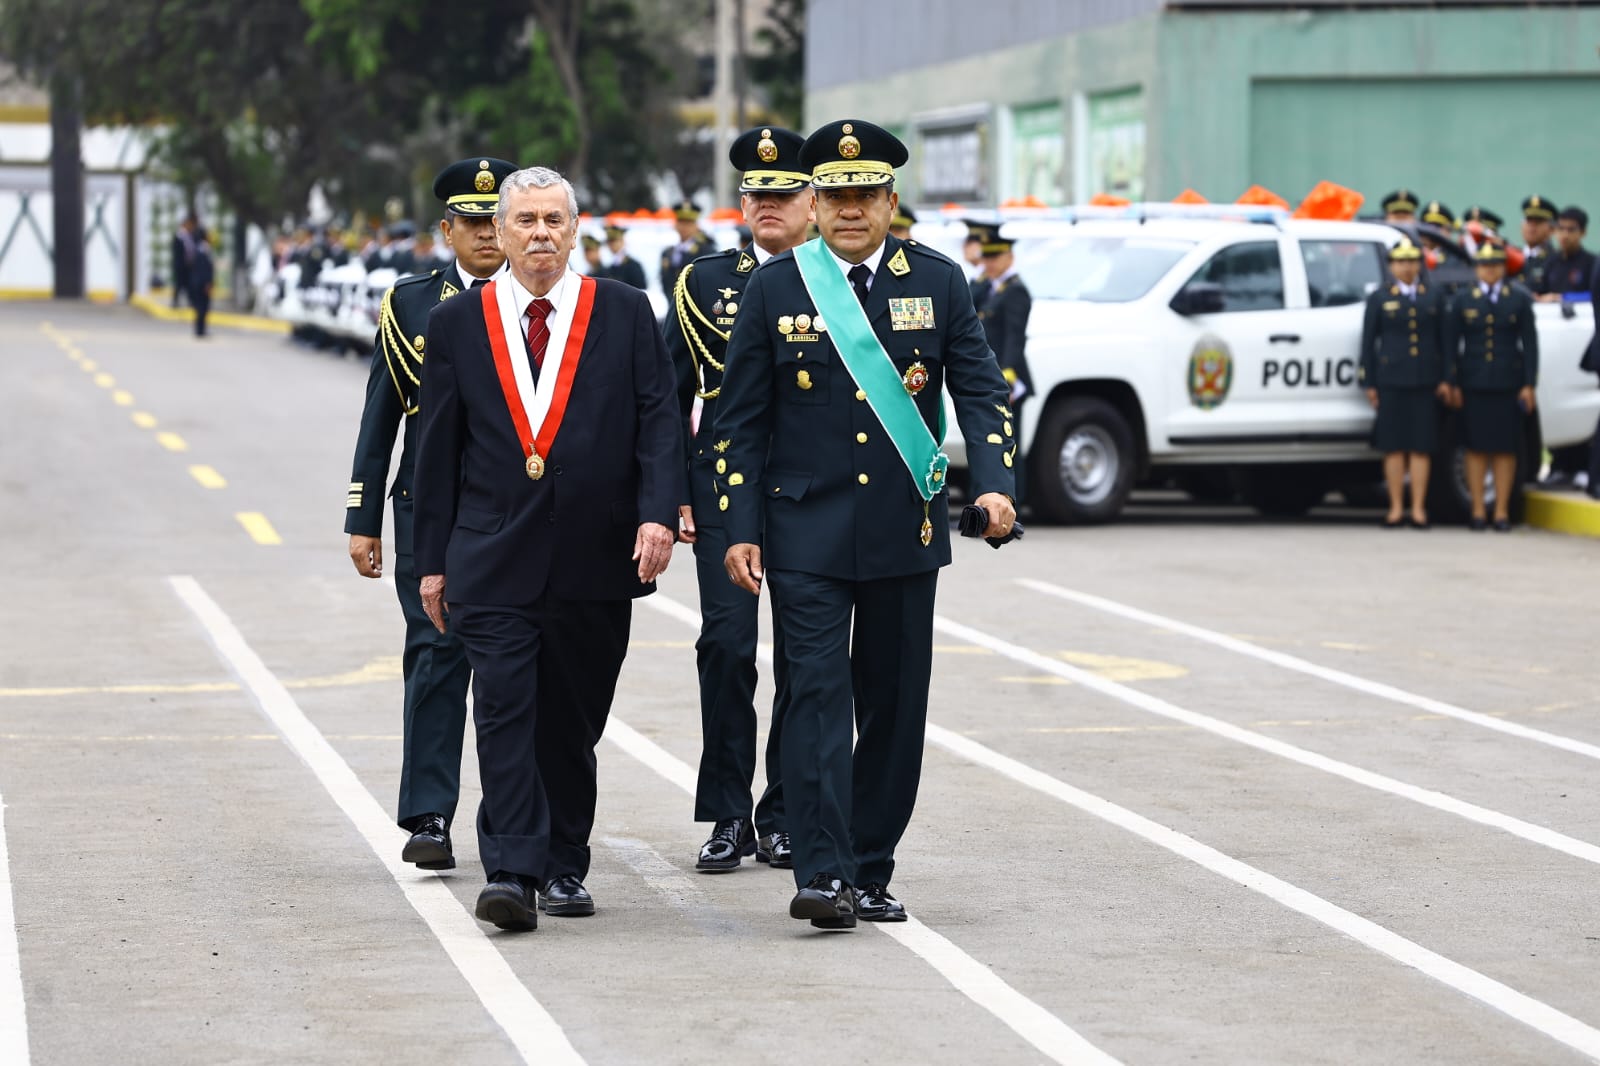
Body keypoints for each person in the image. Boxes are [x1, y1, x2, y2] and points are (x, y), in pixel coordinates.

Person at [716, 119, 1017, 930]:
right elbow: (737, 421)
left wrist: (995, 487)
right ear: (814, 203)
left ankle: (870, 866)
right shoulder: (778, 287)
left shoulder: (939, 282)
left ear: (890, 201)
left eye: (866, 194)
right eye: (837, 195)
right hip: (804, 531)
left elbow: (982, 391)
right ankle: (822, 873)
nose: (851, 209)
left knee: (893, 704)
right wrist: (739, 525)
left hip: (901, 531)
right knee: (816, 697)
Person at [413, 166, 685, 931]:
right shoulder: (458, 323)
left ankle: (564, 862)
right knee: (503, 711)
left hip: (596, 556)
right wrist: (430, 561)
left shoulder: (624, 312)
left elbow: (659, 419)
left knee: (570, 721)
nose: (539, 234)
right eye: (525, 221)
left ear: (574, 231)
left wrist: (657, 516)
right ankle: (512, 871)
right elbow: (436, 450)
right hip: (490, 556)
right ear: (500, 233)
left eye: (553, 220)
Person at [345, 156, 515, 873]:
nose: (486, 234)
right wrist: (362, 514)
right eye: (471, 222)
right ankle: (430, 816)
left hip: (516, 510)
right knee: (436, 654)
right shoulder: (412, 303)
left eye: (495, 221)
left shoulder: (544, 301)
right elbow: (381, 413)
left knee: (515, 666)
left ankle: (516, 823)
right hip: (428, 509)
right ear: (448, 230)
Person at [667, 126, 813, 874]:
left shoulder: (836, 282)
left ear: (812, 202)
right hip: (724, 487)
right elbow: (666, 394)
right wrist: (671, 494)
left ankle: (783, 811)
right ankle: (728, 811)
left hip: (813, 489)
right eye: (756, 194)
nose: (767, 205)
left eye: (782, 194)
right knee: (726, 647)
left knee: (804, 653)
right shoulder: (702, 284)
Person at [1358, 238, 1451, 528]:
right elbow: (1368, 343)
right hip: (1391, 380)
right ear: (1391, 266)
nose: (1407, 267)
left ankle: (1418, 508)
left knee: (1421, 446)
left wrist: (1447, 378)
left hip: (1425, 379)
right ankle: (1396, 508)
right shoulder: (1380, 297)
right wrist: (1369, 382)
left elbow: (1446, 342)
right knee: (1394, 446)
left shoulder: (1433, 296)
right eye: (1401, 262)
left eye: (1412, 261)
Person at [1446, 243, 1538, 531]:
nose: (1490, 270)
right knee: (1475, 448)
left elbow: (1530, 345)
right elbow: (1451, 345)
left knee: (1504, 448)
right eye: (1484, 265)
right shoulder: (1463, 299)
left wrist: (1529, 384)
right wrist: (1452, 382)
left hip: (1508, 383)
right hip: (1473, 383)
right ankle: (1477, 510)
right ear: (1476, 269)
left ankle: (1500, 511)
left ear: (1503, 268)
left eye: (1495, 265)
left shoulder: (1518, 299)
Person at [968, 219, 1034, 493]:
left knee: (1008, 443)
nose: (990, 263)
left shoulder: (1016, 290)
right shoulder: (990, 287)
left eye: (995, 258)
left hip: (1009, 378)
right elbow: (969, 302)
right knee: (990, 439)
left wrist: (1007, 373)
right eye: (986, 258)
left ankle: (1014, 500)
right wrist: (980, 275)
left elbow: (1014, 336)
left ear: (1010, 257)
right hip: (991, 375)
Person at [1536, 206, 1595, 300]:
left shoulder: (1593, 263)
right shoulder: (1550, 261)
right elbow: (1539, 292)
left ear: (1583, 232)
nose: (1565, 235)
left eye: (1571, 230)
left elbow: (1596, 295)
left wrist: (1562, 297)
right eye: (1561, 228)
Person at [660, 200, 715, 303]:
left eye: (688, 223)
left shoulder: (706, 251)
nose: (684, 227)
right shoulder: (668, 252)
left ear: (696, 225)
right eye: (681, 222)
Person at [1519, 195, 1559, 293]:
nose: (1532, 226)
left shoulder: (1556, 259)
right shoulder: (1513, 257)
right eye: (1528, 220)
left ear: (1552, 229)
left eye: (1538, 222)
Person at [603, 225, 647, 289]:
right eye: (609, 242)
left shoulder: (633, 266)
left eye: (614, 241)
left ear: (622, 241)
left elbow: (641, 289)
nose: (611, 245)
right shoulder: (610, 267)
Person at [170, 214, 196, 308]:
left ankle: (190, 301)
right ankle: (175, 301)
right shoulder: (179, 236)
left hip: (188, 264)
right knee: (179, 284)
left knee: (189, 284)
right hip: (180, 265)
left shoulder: (190, 235)